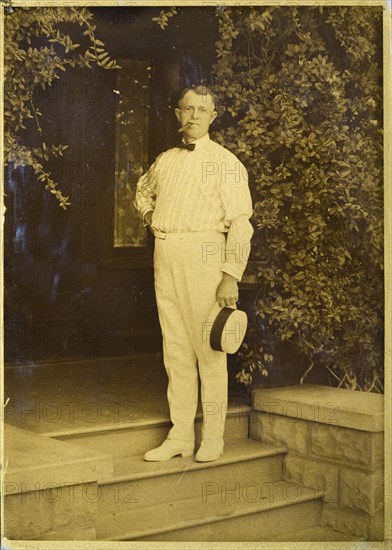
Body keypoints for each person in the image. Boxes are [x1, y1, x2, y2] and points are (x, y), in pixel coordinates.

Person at [134, 85, 253, 462]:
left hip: (206, 254)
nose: (195, 116)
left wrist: (231, 274)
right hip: (166, 251)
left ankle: (213, 437)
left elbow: (242, 224)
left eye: (203, 110)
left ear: (213, 115)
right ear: (178, 113)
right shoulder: (166, 159)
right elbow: (142, 192)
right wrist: (153, 217)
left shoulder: (226, 162)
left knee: (209, 348)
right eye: (188, 108)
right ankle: (181, 435)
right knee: (176, 349)